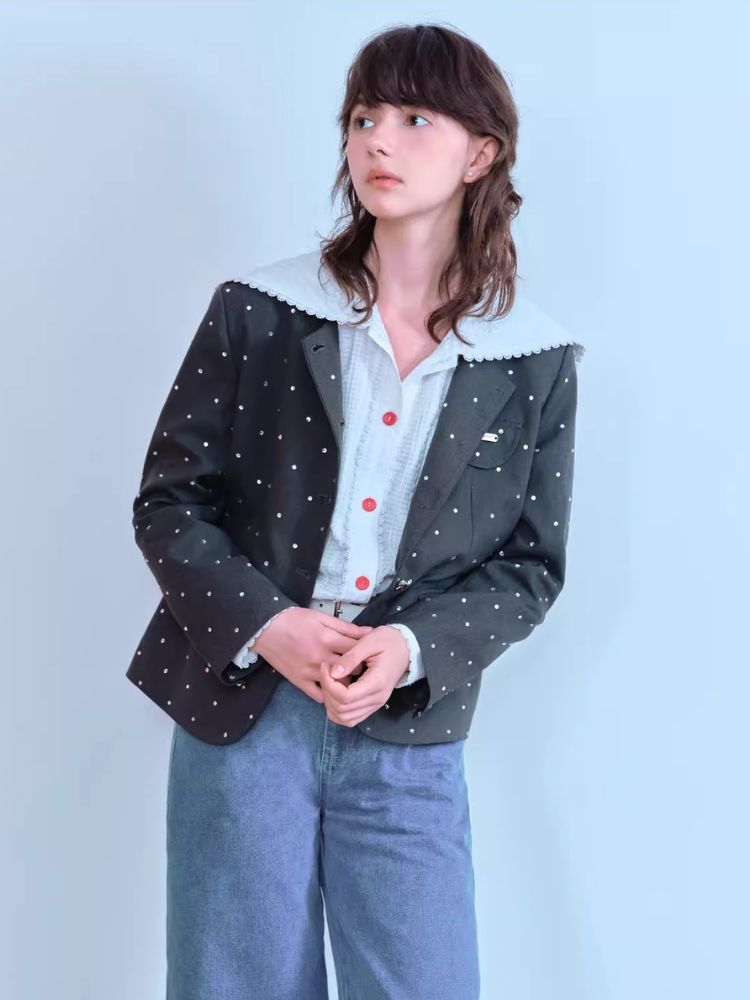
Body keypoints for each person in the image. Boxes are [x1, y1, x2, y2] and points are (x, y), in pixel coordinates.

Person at [127, 22, 584, 1000]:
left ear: (481, 154)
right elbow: (170, 502)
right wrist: (270, 624)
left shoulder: (532, 359)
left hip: (410, 723)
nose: (379, 139)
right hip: (245, 714)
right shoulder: (259, 310)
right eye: (365, 117)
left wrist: (410, 647)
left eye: (417, 119)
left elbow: (530, 565)